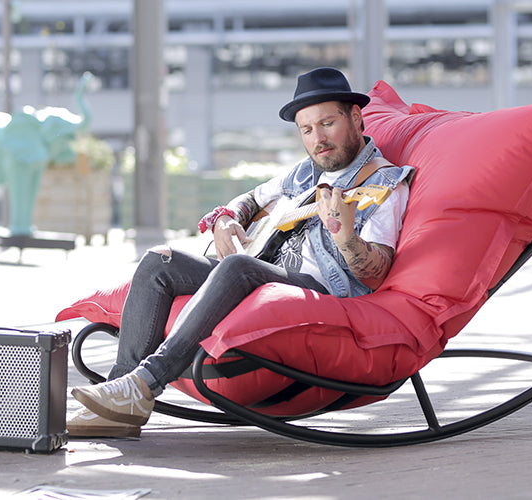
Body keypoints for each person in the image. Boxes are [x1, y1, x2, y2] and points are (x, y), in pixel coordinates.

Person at [68, 67, 415, 438]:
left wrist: (345, 236)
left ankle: (146, 381)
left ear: (356, 118)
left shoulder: (383, 183)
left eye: (327, 123)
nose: (318, 139)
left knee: (238, 267)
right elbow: (252, 198)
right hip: (260, 270)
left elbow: (374, 273)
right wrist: (227, 219)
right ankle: (121, 400)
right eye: (307, 130)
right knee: (159, 260)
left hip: (319, 288)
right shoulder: (304, 173)